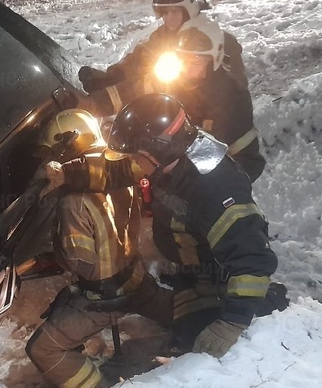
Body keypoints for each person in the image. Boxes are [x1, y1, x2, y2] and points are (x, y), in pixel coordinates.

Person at [37, 94, 284, 359]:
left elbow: (252, 259)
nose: (132, 161)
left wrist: (231, 324)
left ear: (155, 153)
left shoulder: (216, 189)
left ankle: (266, 304)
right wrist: (68, 174)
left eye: (136, 155)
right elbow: (117, 172)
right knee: (184, 329)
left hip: (222, 277)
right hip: (193, 272)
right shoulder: (173, 154)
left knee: (198, 349)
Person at [25, 108, 174, 388]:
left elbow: (83, 264)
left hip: (104, 298)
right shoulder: (118, 170)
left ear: (67, 146)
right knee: (179, 310)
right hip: (137, 279)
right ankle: (205, 320)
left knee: (42, 349)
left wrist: (57, 251)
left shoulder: (72, 202)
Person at [79, 12, 264, 182]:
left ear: (213, 60)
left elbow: (248, 160)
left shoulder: (233, 97)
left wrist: (220, 192)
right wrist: (89, 104)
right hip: (164, 166)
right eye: (182, 58)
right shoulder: (171, 79)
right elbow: (127, 92)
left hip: (202, 183)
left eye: (196, 61)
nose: (186, 66)